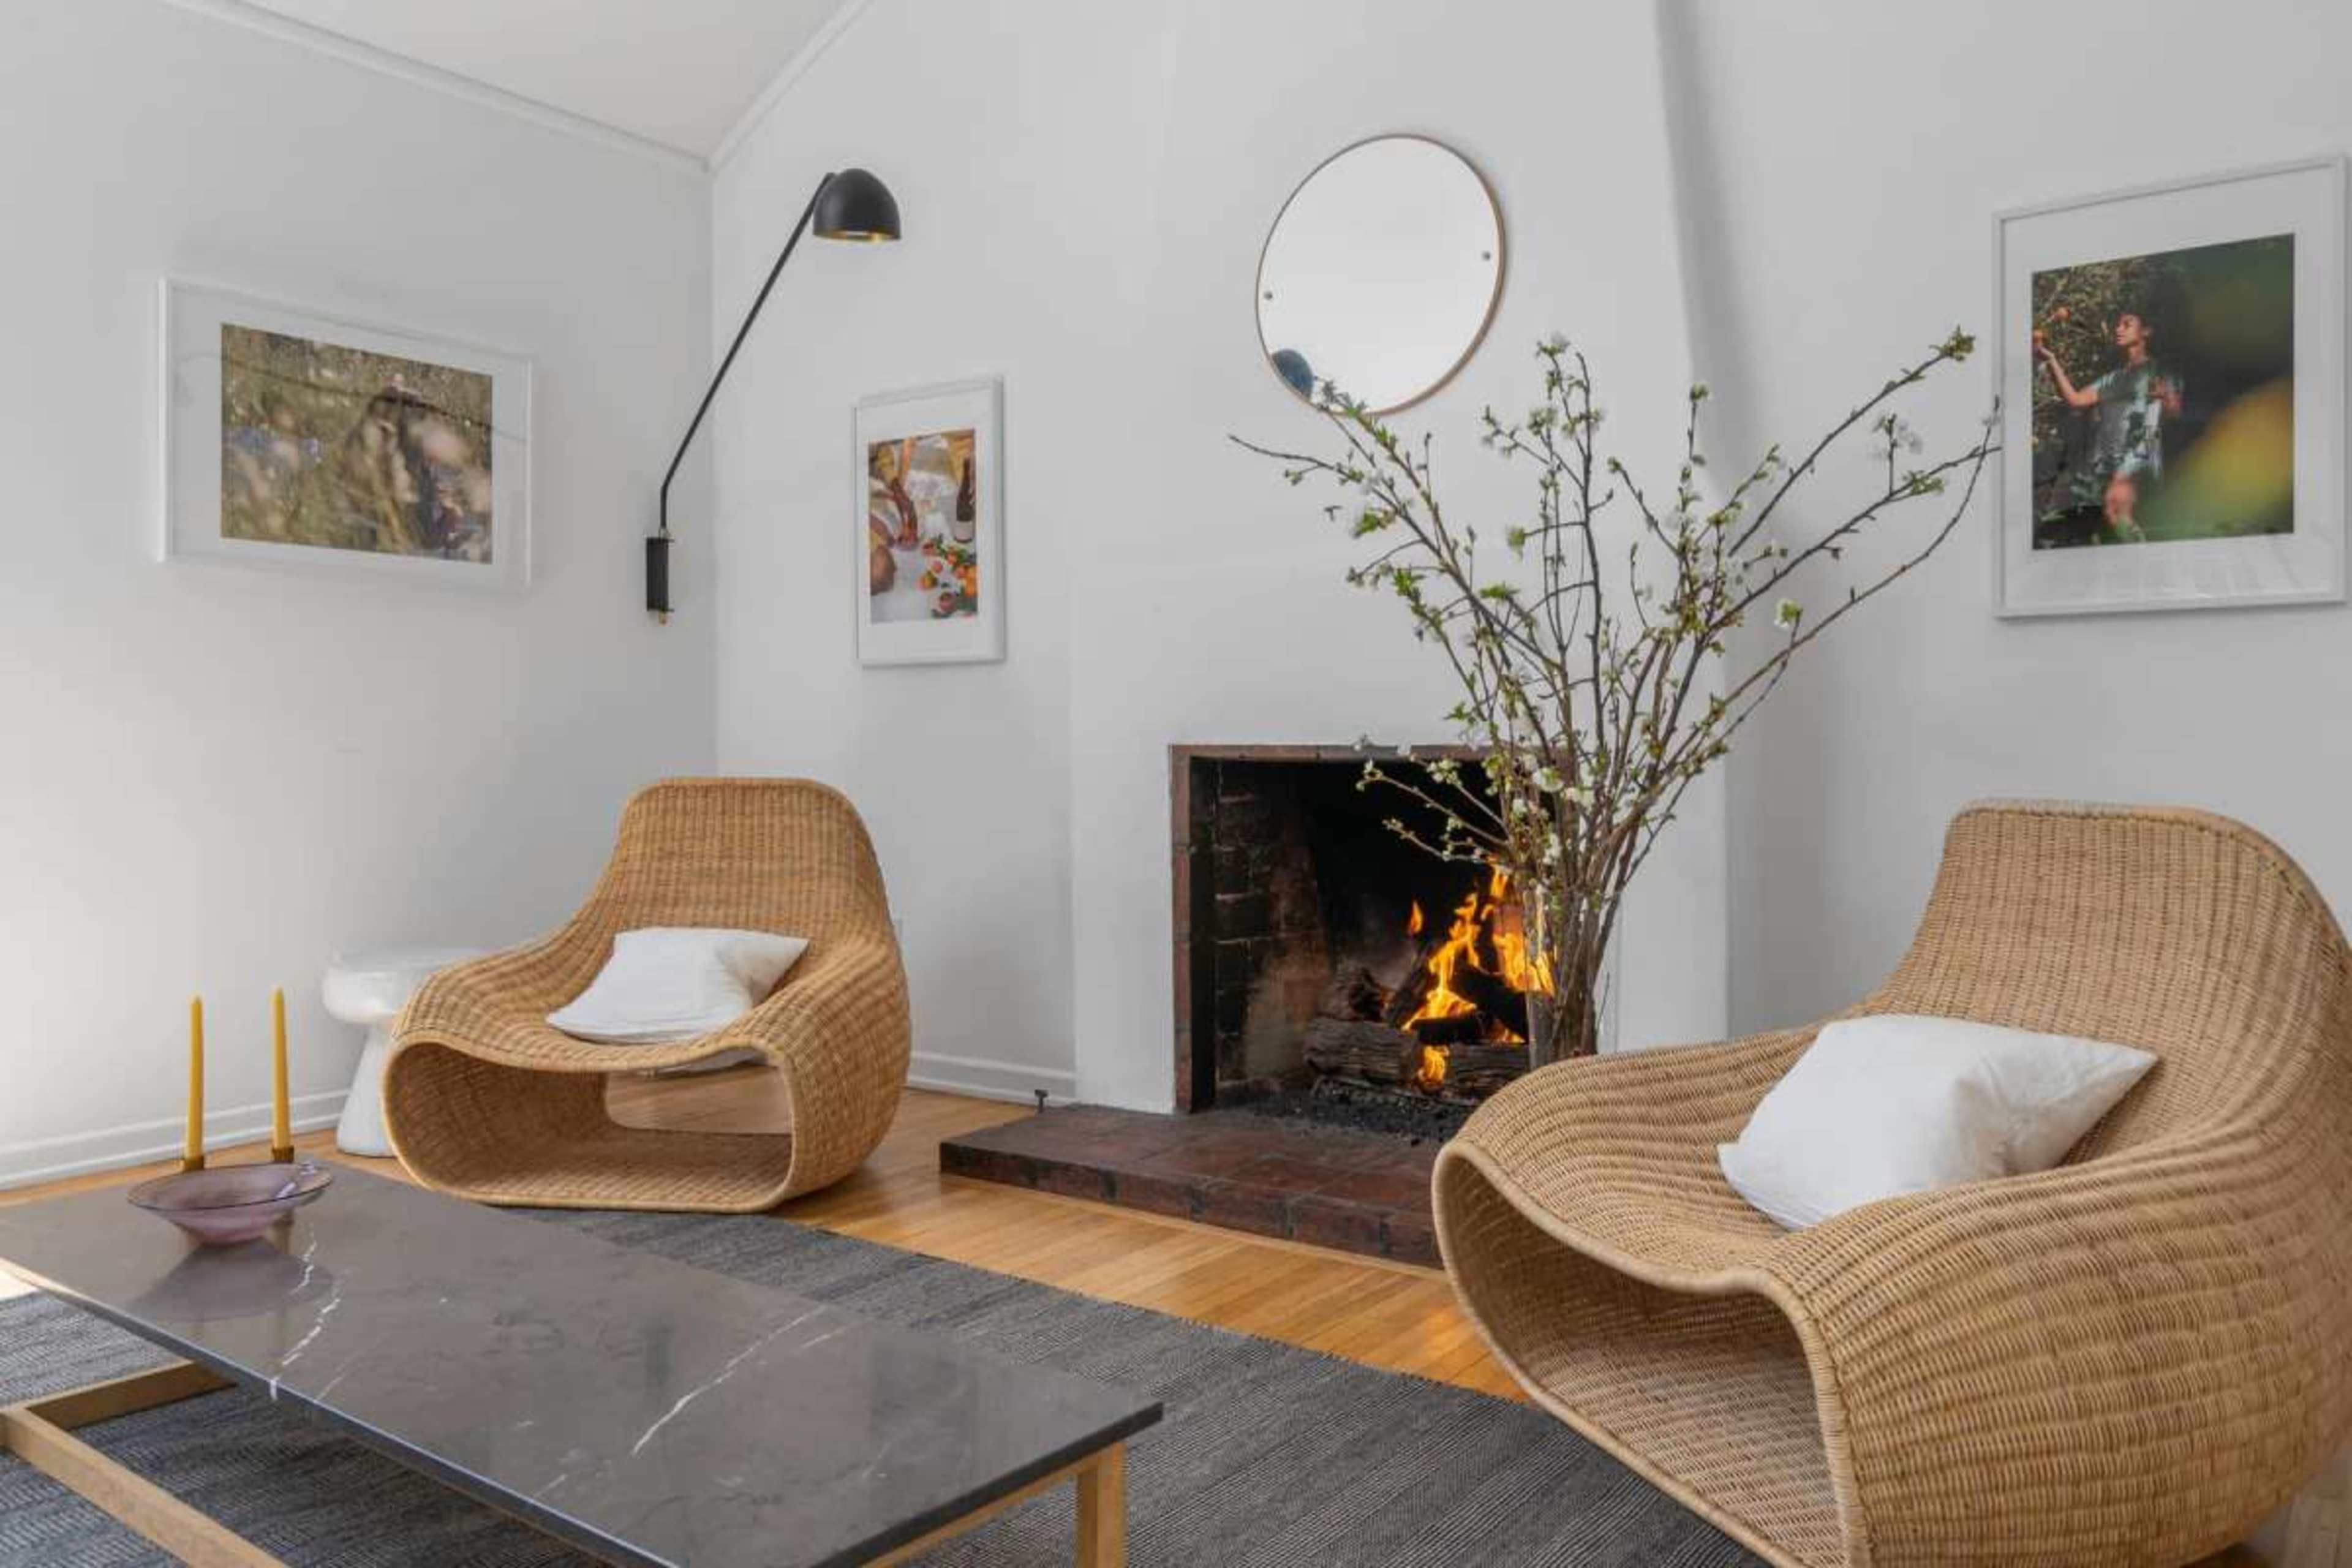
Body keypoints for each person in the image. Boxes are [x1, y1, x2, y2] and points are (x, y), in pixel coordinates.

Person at [2038, 311, 2184, 541]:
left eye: (2127, 324)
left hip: (2138, 457)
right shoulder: (2113, 379)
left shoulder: (2159, 370)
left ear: (2146, 331)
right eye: (2117, 325)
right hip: (2106, 461)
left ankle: (2147, 563)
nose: (2119, 329)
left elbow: (2175, 413)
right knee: (2106, 527)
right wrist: (2051, 360)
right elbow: (2075, 400)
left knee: (2114, 515)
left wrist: (2164, 397)